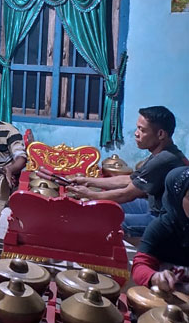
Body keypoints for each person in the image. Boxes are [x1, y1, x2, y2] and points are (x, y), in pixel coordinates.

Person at [67, 106, 188, 237]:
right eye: (137, 128)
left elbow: (126, 194)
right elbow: (129, 180)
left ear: (160, 134)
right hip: (152, 207)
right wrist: (87, 180)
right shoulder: (163, 153)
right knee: (107, 205)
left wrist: (91, 195)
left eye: (142, 130)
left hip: (164, 220)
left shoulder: (165, 159)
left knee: (106, 219)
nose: (136, 133)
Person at [130, 166, 189, 292]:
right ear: (177, 198)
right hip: (167, 304)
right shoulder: (162, 227)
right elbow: (140, 265)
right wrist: (154, 277)